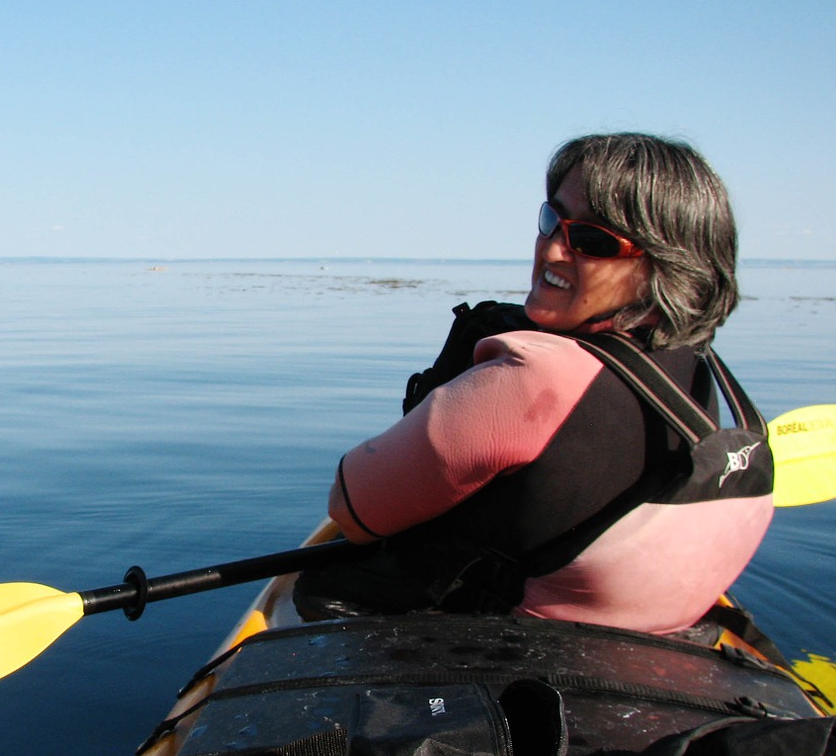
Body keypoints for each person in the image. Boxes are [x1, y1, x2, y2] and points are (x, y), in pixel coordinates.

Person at [295, 133, 772, 634]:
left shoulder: (533, 377)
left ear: (667, 266)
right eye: (551, 220)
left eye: (592, 241)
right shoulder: (708, 377)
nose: (554, 249)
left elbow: (350, 510)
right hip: (655, 641)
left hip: (509, 654)